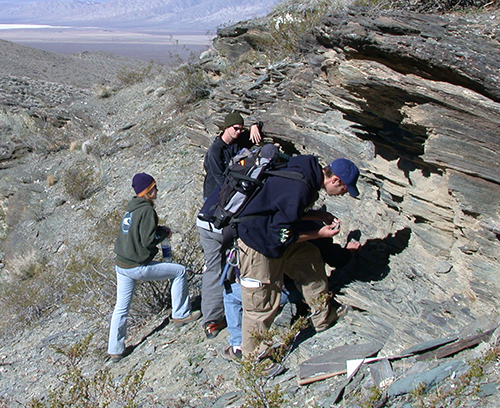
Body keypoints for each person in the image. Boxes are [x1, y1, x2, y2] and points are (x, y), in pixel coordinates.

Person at [235, 156, 360, 364]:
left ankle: (323, 316)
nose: (343, 194)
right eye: (345, 189)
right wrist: (319, 233)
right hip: (257, 244)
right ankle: (254, 359)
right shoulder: (301, 188)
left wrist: (317, 215)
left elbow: (286, 211)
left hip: (271, 238)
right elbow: (281, 233)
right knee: (261, 304)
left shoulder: (305, 172)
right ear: (336, 180)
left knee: (308, 259)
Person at [107, 173, 200, 362]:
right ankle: (181, 315)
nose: (157, 190)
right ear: (148, 192)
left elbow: (137, 233)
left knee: (121, 308)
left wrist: (159, 230)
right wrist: (163, 234)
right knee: (179, 271)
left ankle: (115, 349)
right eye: (154, 188)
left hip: (122, 265)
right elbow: (148, 240)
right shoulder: (148, 211)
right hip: (137, 266)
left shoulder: (131, 208)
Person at [198, 112, 262, 339]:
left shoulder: (238, 142)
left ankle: (233, 305)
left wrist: (254, 125)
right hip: (216, 207)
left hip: (231, 206)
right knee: (215, 265)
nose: (238, 131)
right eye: (234, 128)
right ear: (225, 128)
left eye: (240, 128)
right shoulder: (215, 152)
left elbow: (258, 121)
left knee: (232, 259)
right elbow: (222, 182)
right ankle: (212, 319)